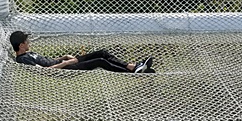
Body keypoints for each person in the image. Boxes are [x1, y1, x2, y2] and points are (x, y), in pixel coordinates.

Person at [9, 30, 154, 73]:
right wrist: (68, 62)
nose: (29, 43)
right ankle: (132, 72)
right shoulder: (23, 60)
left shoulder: (27, 54)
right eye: (26, 41)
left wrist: (63, 57)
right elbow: (45, 71)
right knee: (100, 61)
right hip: (65, 69)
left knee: (102, 52)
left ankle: (132, 66)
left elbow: (48, 61)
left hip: (64, 62)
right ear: (21, 45)